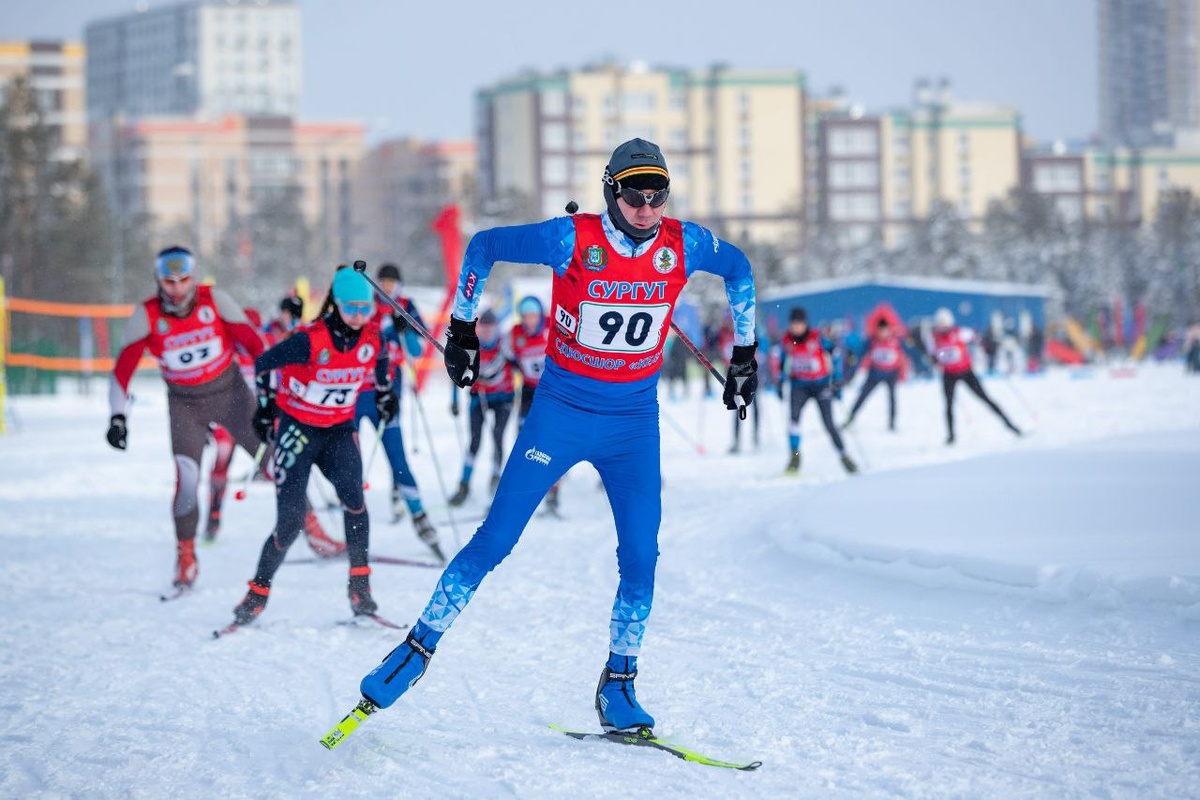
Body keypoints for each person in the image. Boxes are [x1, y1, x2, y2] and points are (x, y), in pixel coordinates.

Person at [356, 138, 759, 735]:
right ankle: (416, 648)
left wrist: (746, 352)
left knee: (642, 556)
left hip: (632, 427)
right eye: (633, 194)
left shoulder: (686, 244)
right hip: (561, 415)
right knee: (495, 539)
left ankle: (619, 681)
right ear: (610, 191)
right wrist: (463, 326)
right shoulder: (572, 238)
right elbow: (484, 246)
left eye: (658, 196)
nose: (647, 208)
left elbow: (741, 269)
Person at [230, 267, 397, 625]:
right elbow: (263, 363)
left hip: (338, 431)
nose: (358, 316)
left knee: (355, 502)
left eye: (365, 309)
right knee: (290, 523)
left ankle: (360, 588)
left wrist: (384, 394)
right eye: (351, 308)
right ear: (336, 304)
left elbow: (381, 359)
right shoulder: (311, 339)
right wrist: (265, 406)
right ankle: (257, 594)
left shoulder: (371, 337)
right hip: (299, 432)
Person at [105, 246, 266, 589]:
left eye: (184, 280)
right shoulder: (146, 315)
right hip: (185, 406)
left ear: (193, 277)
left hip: (232, 395)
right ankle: (186, 557)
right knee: (188, 480)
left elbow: (257, 346)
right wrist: (118, 418)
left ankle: (312, 529)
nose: (177, 288)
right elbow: (122, 372)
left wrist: (271, 396)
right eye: (169, 281)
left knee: (278, 462)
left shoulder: (214, 301)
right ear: (158, 281)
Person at [358, 263, 443, 561]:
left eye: (392, 282)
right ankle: (351, 519)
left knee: (398, 455)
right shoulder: (363, 304)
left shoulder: (405, 306)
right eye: (384, 282)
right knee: (346, 454)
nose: (388, 287)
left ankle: (417, 515)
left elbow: (418, 352)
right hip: (357, 391)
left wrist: (404, 331)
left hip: (389, 390)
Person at [776, 307, 857, 475]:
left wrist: (837, 383)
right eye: (793, 324)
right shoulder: (787, 341)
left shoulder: (817, 337)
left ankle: (844, 456)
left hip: (820, 385)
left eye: (800, 324)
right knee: (793, 422)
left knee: (829, 423)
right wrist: (780, 382)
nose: (796, 328)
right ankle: (795, 457)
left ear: (806, 324)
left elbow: (835, 356)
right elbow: (782, 363)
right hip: (799, 385)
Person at [447, 309, 515, 507]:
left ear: (496, 328)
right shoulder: (472, 345)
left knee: (497, 436)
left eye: (490, 328)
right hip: (479, 397)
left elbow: (520, 365)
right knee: (474, 441)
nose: (487, 332)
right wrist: (454, 401)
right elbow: (457, 373)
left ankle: (495, 480)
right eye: (483, 328)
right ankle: (464, 485)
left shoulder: (504, 345)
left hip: (504, 397)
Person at [930, 308, 1022, 444]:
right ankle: (951, 436)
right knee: (948, 406)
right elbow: (934, 354)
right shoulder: (934, 338)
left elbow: (977, 338)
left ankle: (1010, 425)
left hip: (966, 372)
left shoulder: (960, 333)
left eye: (944, 323)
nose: (942, 326)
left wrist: (987, 346)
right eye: (940, 323)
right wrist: (936, 360)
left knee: (985, 399)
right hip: (949, 374)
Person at [508, 294, 561, 513]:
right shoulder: (515, 334)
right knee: (524, 438)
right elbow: (508, 359)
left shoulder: (551, 327)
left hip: (552, 391)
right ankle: (525, 488)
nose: (529, 320)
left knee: (551, 441)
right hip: (529, 392)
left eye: (533, 315)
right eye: (525, 315)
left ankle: (553, 492)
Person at [842, 317, 905, 432]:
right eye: (880, 330)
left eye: (885, 330)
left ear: (888, 330)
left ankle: (892, 423)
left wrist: (901, 372)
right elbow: (861, 353)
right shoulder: (872, 340)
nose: (882, 333)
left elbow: (903, 354)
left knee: (892, 398)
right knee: (862, 396)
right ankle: (850, 418)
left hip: (891, 374)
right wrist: (853, 362)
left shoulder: (895, 340)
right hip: (875, 373)